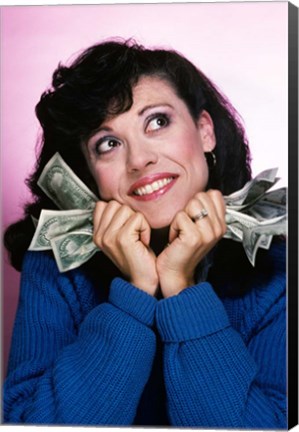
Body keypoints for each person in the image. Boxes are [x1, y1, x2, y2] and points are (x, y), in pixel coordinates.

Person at [3, 39, 286, 427]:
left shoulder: (279, 273)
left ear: (205, 131)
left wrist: (182, 289)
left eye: (157, 121)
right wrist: (134, 294)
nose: (139, 160)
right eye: (109, 143)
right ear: (89, 172)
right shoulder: (54, 268)